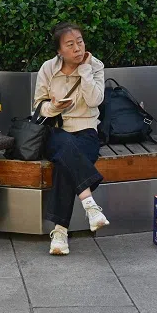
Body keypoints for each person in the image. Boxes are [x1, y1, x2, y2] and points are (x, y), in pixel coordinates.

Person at [34, 23, 108, 255]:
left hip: (86, 130)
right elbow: (37, 108)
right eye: (70, 44)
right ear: (59, 51)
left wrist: (84, 71)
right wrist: (54, 107)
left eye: (80, 42)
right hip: (55, 130)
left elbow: (95, 100)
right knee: (64, 145)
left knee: (65, 162)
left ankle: (59, 231)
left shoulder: (95, 67)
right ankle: (90, 204)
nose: (77, 48)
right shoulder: (48, 69)